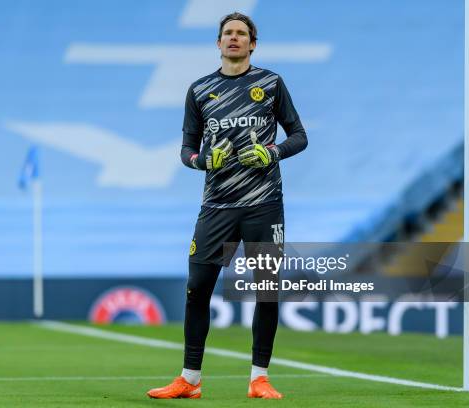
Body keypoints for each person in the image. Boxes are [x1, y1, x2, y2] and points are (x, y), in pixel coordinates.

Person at [146, 12, 307, 400]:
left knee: (266, 289)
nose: (234, 39)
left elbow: (299, 136)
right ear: (218, 43)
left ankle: (259, 379)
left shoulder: (270, 83)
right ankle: (190, 379)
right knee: (197, 288)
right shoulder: (200, 90)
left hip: (264, 205)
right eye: (227, 34)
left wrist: (272, 152)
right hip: (217, 206)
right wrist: (202, 161)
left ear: (253, 43)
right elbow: (186, 150)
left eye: (241, 34)